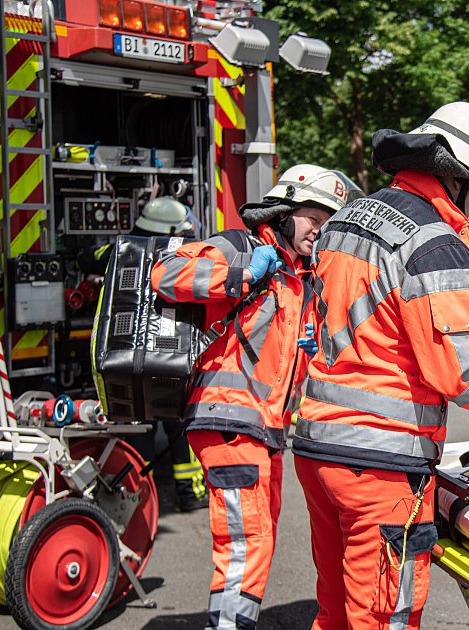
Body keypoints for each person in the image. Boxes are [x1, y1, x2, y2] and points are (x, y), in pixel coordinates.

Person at [292, 102, 469, 630]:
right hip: (381, 462)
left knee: (336, 609)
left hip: (318, 449)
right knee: (386, 615)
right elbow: (462, 376)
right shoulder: (435, 243)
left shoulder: (349, 218)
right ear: (460, 176)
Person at [152, 164, 359, 629]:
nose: (320, 232)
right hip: (228, 417)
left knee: (258, 534)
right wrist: (238, 272)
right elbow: (166, 272)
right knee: (247, 539)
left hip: (264, 427)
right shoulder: (242, 246)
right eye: (313, 219)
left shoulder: (302, 278)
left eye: (329, 224)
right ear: (284, 212)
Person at [80, 196, 209, 512]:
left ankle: (139, 498)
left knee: (135, 428)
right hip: (171, 357)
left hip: (122, 357)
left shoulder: (119, 251)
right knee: (179, 425)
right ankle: (190, 493)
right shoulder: (185, 256)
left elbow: (86, 257)